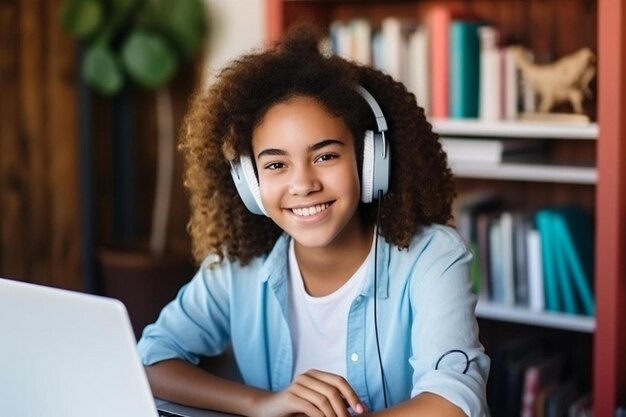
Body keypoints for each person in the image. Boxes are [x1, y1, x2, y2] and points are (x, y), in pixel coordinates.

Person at [138, 25, 490, 417]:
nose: (303, 184)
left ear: (369, 162)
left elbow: (455, 401)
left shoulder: (430, 257)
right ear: (250, 184)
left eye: (325, 156)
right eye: (275, 164)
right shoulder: (237, 267)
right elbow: (152, 359)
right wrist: (261, 404)